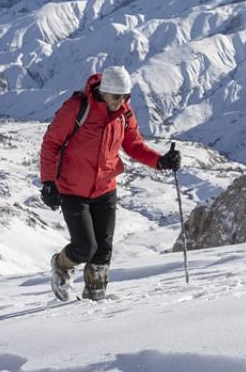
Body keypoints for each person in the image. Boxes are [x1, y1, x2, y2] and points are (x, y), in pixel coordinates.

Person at [39, 66, 180, 301]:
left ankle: (96, 297)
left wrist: (161, 161)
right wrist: (48, 182)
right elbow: (50, 144)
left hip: (105, 188)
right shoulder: (77, 108)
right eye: (117, 97)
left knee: (103, 250)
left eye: (126, 97)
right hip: (73, 188)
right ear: (104, 92)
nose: (121, 101)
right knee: (85, 248)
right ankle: (61, 265)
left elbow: (134, 145)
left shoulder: (124, 114)